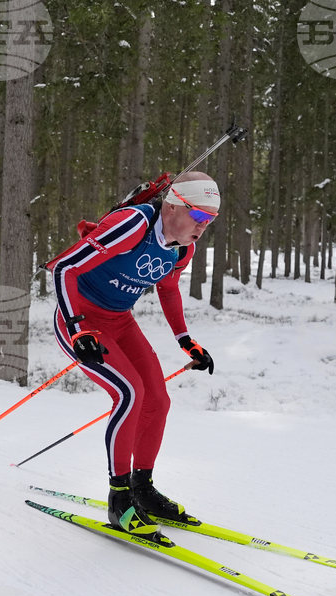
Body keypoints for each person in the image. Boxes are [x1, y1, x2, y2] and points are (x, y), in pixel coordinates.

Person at [48, 172, 218, 536]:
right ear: (173, 206)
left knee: (157, 399)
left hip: (120, 321)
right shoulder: (134, 224)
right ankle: (120, 498)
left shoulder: (182, 246)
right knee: (129, 394)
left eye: (210, 220)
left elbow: (169, 290)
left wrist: (187, 341)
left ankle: (143, 490)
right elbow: (65, 268)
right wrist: (79, 329)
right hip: (80, 319)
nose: (203, 227)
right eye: (199, 217)